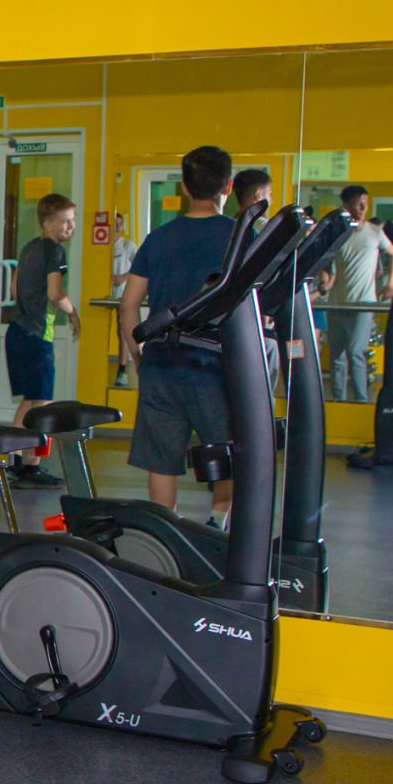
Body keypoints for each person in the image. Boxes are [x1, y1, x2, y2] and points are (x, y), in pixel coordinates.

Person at [116, 146, 237, 526]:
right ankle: (217, 523)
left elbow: (128, 306)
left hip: (162, 364)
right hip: (216, 367)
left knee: (162, 460)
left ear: (184, 187)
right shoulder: (239, 237)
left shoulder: (159, 238)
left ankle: (166, 532)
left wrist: (139, 357)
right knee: (227, 453)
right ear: (228, 186)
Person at [5, 192, 79, 487]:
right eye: (65, 221)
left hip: (17, 331)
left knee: (30, 401)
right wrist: (73, 312)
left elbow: (14, 289)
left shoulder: (29, 248)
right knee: (43, 404)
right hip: (37, 335)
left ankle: (15, 460)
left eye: (73, 221)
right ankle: (32, 467)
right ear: (48, 223)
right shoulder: (56, 253)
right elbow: (55, 293)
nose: (71, 227)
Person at [319, 185, 393, 402]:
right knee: (337, 355)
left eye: (365, 202)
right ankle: (338, 400)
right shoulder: (337, 233)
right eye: (358, 203)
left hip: (363, 304)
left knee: (355, 351)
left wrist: (392, 283)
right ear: (346, 206)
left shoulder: (375, 232)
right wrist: (325, 281)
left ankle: (361, 400)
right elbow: (325, 264)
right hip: (338, 303)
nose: (363, 207)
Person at [231, 169, 279, 386]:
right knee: (269, 351)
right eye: (270, 194)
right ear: (259, 195)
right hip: (251, 314)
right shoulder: (260, 228)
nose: (271, 200)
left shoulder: (232, 226)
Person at [110, 211, 138, 387]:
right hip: (107, 295)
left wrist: (122, 278)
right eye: (113, 224)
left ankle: (122, 370)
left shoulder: (128, 245)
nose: (116, 228)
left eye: (118, 224)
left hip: (122, 294)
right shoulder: (103, 247)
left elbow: (138, 267)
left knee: (123, 331)